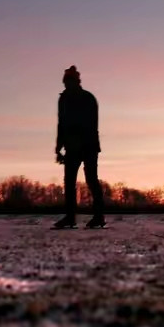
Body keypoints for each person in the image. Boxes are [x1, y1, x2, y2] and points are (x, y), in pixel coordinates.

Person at [52, 66, 105, 229]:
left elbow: (91, 123)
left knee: (91, 180)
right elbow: (61, 124)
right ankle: (70, 217)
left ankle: (98, 216)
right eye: (66, 82)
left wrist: (79, 141)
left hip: (87, 145)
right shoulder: (63, 99)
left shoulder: (88, 98)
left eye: (70, 81)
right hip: (72, 146)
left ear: (76, 81)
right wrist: (58, 147)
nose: (67, 84)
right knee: (69, 182)